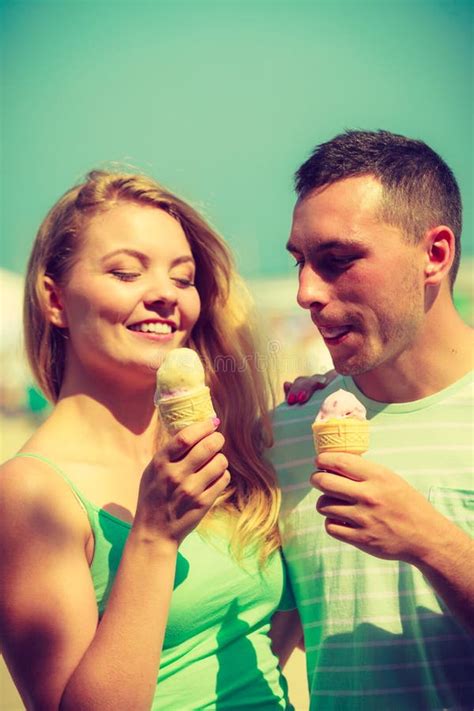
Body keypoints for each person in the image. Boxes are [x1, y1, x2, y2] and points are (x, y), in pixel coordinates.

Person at [0, 170, 300, 710]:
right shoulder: (30, 494)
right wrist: (153, 539)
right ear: (55, 300)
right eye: (126, 272)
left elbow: (251, 648)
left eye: (183, 279)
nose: (165, 295)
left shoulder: (221, 452)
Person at [270, 130, 474, 710]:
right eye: (300, 263)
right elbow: (262, 644)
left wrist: (431, 542)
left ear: (434, 254)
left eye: (337, 261)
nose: (306, 291)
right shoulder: (285, 433)